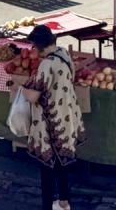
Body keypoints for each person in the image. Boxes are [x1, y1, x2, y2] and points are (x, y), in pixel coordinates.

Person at [21, 25, 82, 210]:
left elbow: (33, 96)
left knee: (46, 169)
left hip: (50, 123)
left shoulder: (46, 64)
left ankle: (47, 206)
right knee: (61, 165)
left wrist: (20, 89)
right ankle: (64, 202)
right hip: (67, 116)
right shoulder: (63, 53)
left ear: (39, 46)